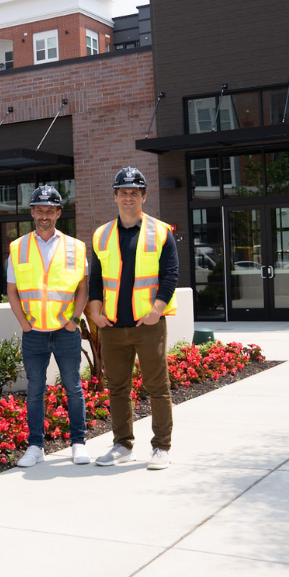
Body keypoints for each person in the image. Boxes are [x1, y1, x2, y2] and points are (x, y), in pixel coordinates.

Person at [87, 166, 179, 470]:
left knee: (157, 387)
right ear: (115, 196)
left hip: (148, 325)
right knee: (117, 389)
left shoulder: (161, 232)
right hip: (112, 326)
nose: (129, 197)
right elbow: (96, 280)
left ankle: (161, 447)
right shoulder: (101, 234)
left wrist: (156, 311)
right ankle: (122, 445)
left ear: (144, 196)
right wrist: (96, 312)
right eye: (123, 192)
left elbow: (171, 275)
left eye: (134, 192)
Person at [7, 185, 91, 468]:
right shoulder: (17, 247)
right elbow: (12, 290)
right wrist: (23, 323)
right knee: (34, 390)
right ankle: (35, 446)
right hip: (34, 335)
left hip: (65, 332)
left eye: (50, 210)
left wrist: (75, 320)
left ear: (58, 213)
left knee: (73, 387)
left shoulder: (76, 247)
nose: (44, 215)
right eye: (39, 210)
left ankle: (78, 443)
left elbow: (83, 288)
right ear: (32, 212)